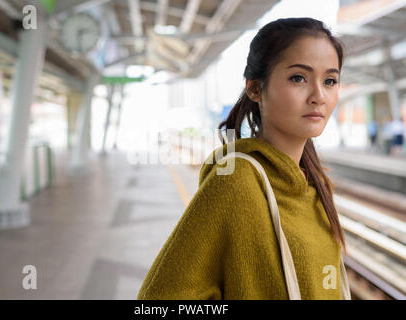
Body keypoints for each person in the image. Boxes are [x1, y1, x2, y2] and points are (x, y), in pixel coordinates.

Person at [138, 17, 348, 300]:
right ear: (255, 89)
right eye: (298, 78)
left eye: (330, 80)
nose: (319, 96)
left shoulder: (316, 186)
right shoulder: (236, 183)